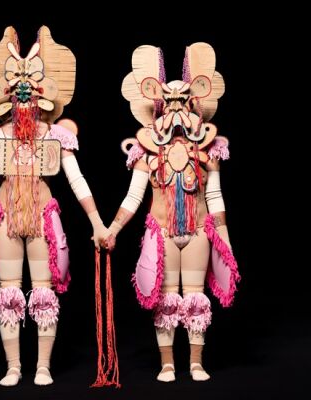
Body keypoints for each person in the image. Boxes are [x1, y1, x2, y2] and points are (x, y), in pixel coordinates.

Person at [0, 26, 110, 387]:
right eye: (17, 85)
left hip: (43, 219)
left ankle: (43, 365)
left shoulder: (54, 136)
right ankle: (14, 366)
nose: (24, 91)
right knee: (8, 291)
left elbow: (76, 180)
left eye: (31, 84)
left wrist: (97, 222)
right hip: (6, 220)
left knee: (44, 292)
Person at [101, 43, 240, 382]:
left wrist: (225, 241)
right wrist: (112, 229)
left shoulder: (209, 151)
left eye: (183, 100)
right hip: (162, 232)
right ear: (158, 104)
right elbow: (134, 196)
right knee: (165, 299)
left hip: (198, 232)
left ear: (194, 103)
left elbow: (215, 197)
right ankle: (167, 363)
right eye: (170, 101)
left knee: (194, 295)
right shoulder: (146, 152)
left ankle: (196, 362)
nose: (177, 109)